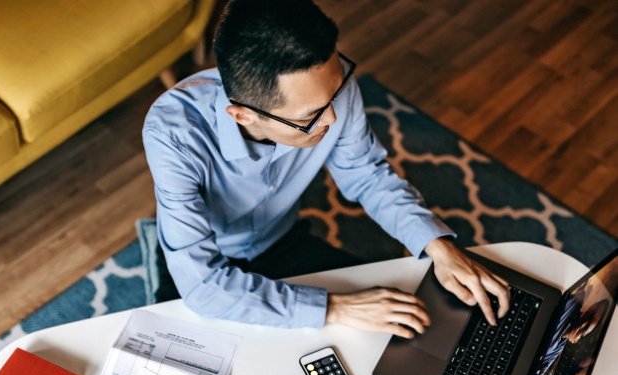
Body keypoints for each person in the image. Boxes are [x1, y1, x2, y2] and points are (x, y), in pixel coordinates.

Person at [142, 0, 510, 335]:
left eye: (335, 96)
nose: (332, 117)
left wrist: (439, 247)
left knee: (403, 321)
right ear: (243, 115)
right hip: (210, 253)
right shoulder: (172, 135)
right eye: (311, 116)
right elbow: (202, 286)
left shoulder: (326, 86)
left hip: (280, 239)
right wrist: (336, 308)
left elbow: (366, 174)